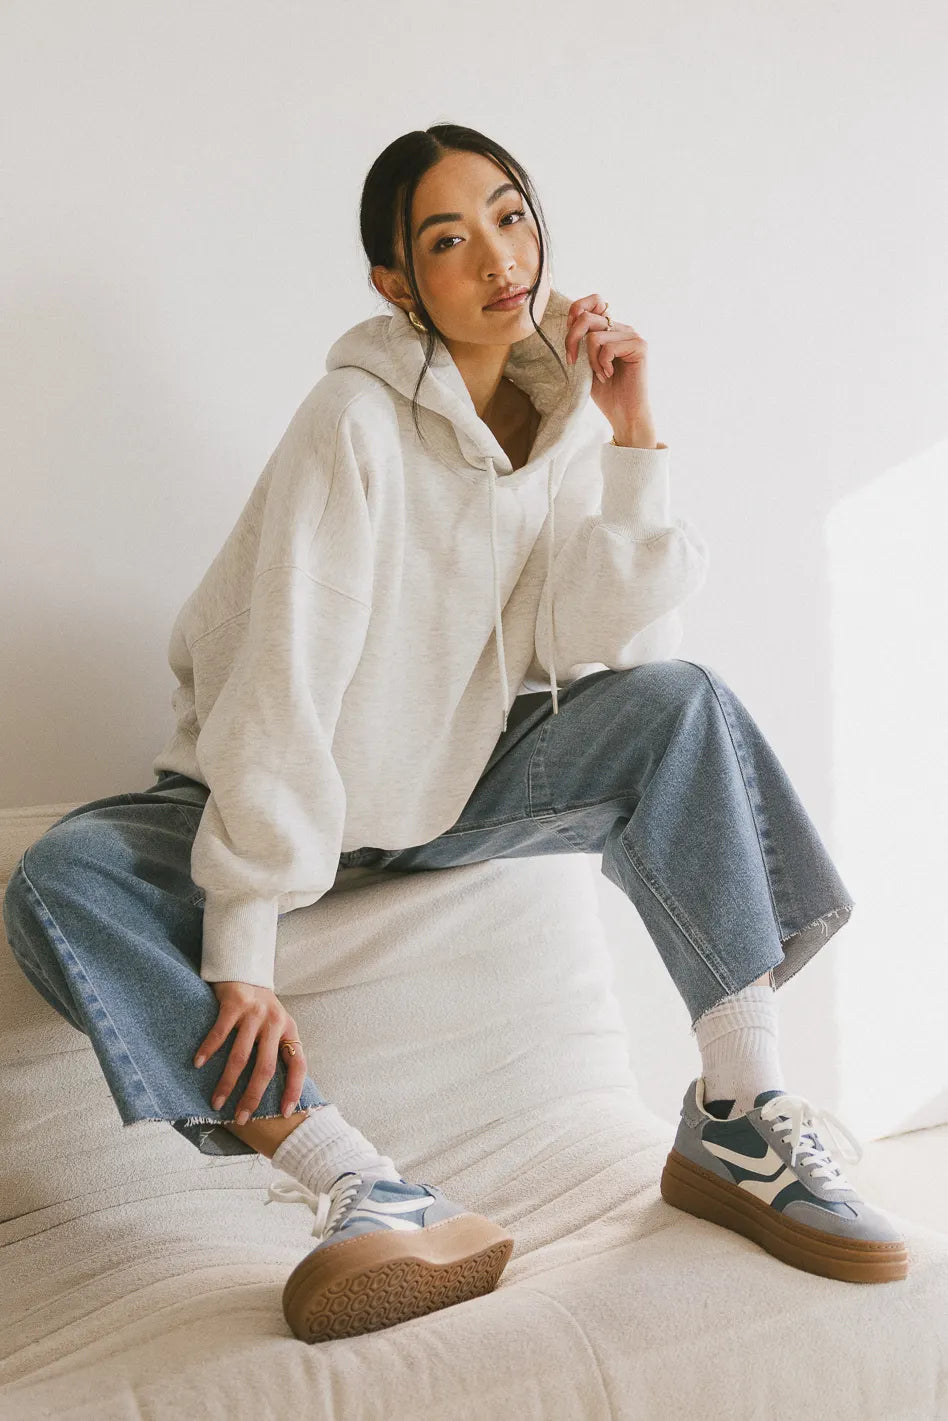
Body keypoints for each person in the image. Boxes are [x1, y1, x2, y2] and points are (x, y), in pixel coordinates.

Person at [2, 123, 908, 1345]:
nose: (497, 257)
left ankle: (741, 1111)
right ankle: (361, 1181)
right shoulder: (352, 422)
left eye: (510, 215)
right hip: (270, 794)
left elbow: (616, 649)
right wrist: (244, 945)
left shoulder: (567, 413)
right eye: (448, 239)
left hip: (447, 786)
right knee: (61, 879)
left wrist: (633, 436)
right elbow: (280, 685)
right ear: (395, 283)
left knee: (682, 697)